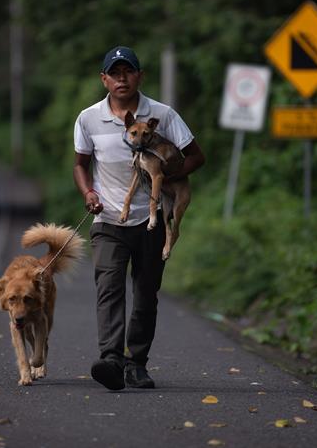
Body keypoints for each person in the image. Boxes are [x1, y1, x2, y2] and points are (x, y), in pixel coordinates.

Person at [73, 46, 205, 390]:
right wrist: (89, 193)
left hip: (151, 221)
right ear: (104, 79)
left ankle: (137, 364)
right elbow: (80, 164)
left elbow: (196, 156)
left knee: (146, 294)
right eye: (114, 73)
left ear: (139, 76)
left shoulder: (162, 114)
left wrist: (171, 175)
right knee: (109, 288)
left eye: (127, 71)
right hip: (109, 221)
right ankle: (112, 360)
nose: (121, 78)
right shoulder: (89, 118)